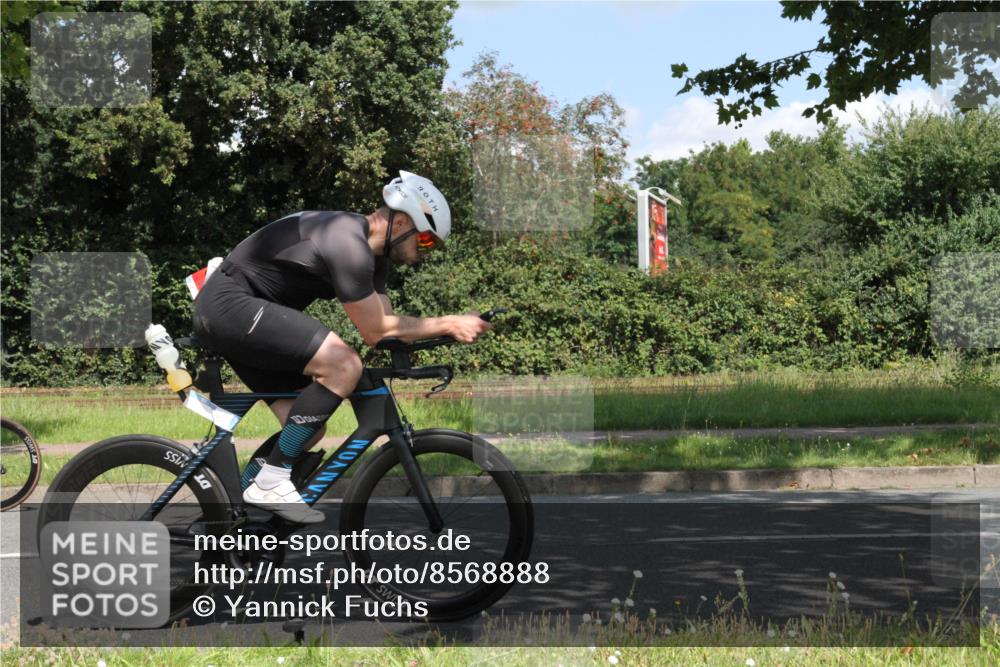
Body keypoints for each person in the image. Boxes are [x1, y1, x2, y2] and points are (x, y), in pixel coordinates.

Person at [192, 171, 491, 523]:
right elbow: (375, 329)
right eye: (425, 242)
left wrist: (446, 334)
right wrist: (450, 322)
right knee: (344, 364)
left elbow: (387, 331)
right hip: (229, 305)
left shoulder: (375, 260)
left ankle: (231, 516)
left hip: (244, 314)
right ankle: (271, 481)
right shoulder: (348, 242)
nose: (425, 254)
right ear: (401, 222)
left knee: (305, 428)